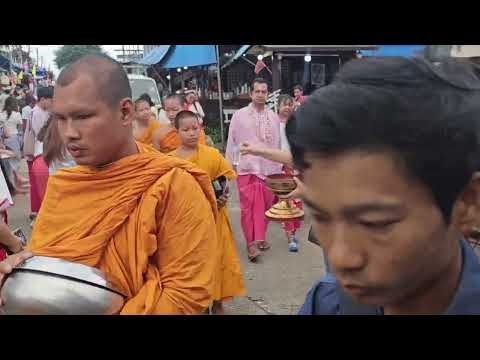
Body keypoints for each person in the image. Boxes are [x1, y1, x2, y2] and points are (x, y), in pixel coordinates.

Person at [0, 54, 219, 314]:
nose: (69, 132)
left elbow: (186, 293)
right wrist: (22, 274)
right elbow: (51, 266)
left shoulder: (173, 184)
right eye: (61, 119)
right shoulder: (66, 184)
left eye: (83, 116)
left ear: (125, 112)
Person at [286, 57, 480, 315]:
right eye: (321, 217)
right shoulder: (326, 304)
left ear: (467, 203)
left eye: (375, 223)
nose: (340, 258)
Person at [169, 110, 246, 315]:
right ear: (176, 132)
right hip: (189, 224)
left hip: (216, 219)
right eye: (186, 129)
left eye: (195, 128)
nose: (192, 133)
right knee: (196, 265)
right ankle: (200, 303)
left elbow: (225, 180)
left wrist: (223, 197)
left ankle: (219, 302)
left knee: (219, 261)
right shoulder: (170, 161)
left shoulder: (211, 154)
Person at [225, 77, 282, 261]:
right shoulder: (239, 115)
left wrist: (278, 167)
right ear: (251, 94)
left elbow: (277, 144)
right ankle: (251, 244)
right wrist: (229, 167)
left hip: (268, 169)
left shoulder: (273, 117)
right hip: (247, 169)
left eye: (263, 92)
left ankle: (261, 237)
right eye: (256, 91)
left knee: (265, 207)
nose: (260, 95)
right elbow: (232, 142)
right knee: (248, 208)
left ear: (268, 95)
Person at [240, 94, 302, 252]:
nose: (287, 107)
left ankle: (291, 232)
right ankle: (286, 237)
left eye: (290, 104)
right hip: (274, 166)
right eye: (284, 104)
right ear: (278, 106)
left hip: (292, 164)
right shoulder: (272, 122)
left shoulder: (296, 124)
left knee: (292, 201)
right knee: (282, 201)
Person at [25, 86, 53, 222]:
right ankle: (38, 212)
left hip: (38, 151)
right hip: (39, 151)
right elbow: (40, 134)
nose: (52, 103)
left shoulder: (40, 111)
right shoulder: (37, 112)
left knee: (36, 185)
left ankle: (36, 211)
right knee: (39, 186)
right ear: (43, 99)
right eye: (50, 100)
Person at [0, 97, 23, 171]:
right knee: (15, 159)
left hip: (3, 139)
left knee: (5, 159)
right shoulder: (17, 114)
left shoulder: (1, 114)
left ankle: (8, 176)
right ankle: (14, 175)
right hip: (14, 138)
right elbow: (20, 126)